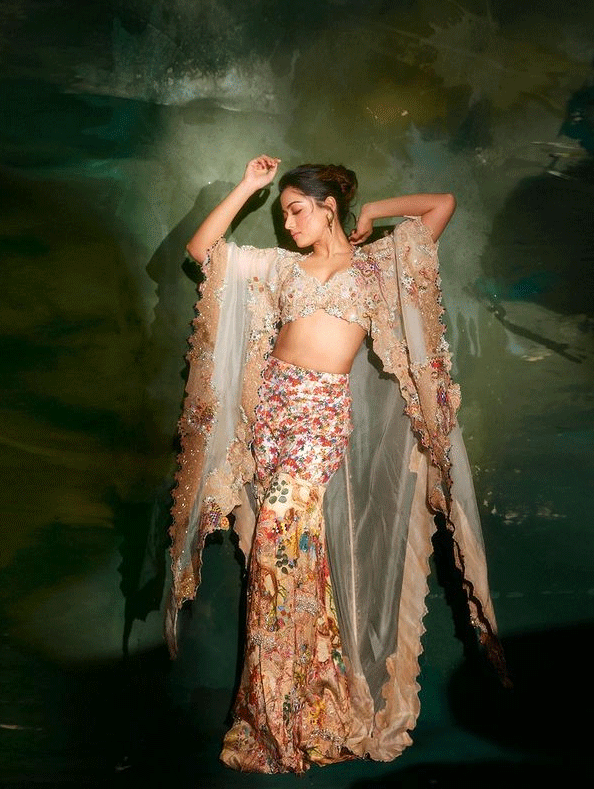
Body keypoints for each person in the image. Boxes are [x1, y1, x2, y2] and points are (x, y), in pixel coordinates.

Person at [167, 155, 503, 774]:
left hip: (319, 418)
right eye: (283, 213)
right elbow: (201, 250)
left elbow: (442, 205)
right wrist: (248, 185)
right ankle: (302, 709)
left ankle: (290, 714)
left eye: (297, 210)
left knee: (278, 554)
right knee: (291, 560)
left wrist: (373, 211)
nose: (288, 224)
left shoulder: (375, 266)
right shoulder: (282, 268)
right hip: (271, 414)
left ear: (328, 208)